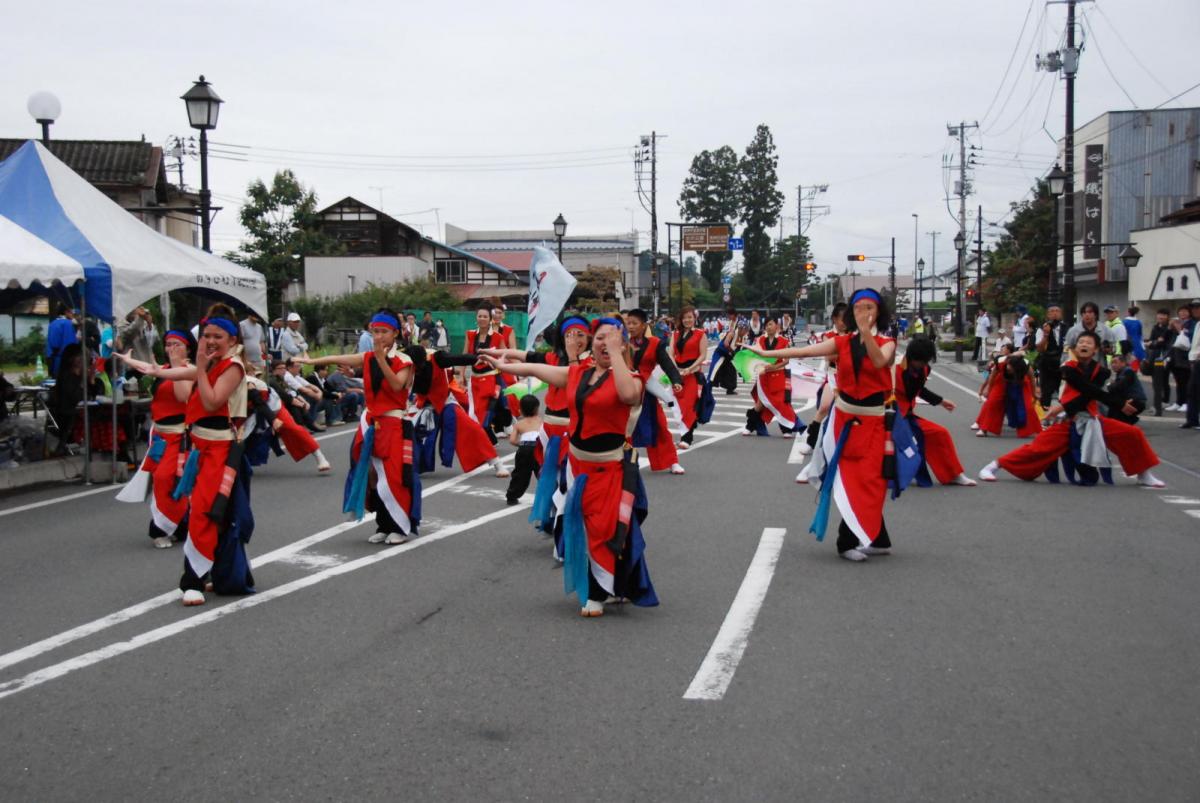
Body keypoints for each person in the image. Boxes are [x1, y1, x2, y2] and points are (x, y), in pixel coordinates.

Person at [482, 317, 658, 617]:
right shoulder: (579, 372)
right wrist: (505, 365)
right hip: (578, 463)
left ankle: (598, 592)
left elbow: (628, 395)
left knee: (604, 529)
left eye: (612, 338)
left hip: (611, 468)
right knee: (584, 526)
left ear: (622, 343)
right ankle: (618, 583)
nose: (604, 342)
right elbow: (539, 369)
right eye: (599, 337)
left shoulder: (631, 378)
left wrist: (616, 354)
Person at [749, 289, 897, 562]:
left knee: (874, 481)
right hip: (845, 421)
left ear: (879, 312)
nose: (863, 312)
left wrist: (866, 332)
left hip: (875, 422)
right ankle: (847, 542)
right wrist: (765, 352)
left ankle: (877, 537)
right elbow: (803, 351)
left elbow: (879, 361)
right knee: (853, 480)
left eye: (869, 307)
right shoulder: (841, 343)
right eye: (858, 308)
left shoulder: (886, 342)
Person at [127, 303, 257, 605]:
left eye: (217, 337)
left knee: (204, 511)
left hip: (221, 450)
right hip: (199, 447)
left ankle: (193, 579)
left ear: (232, 341)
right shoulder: (212, 362)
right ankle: (213, 572)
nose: (210, 341)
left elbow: (211, 402)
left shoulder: (233, 367)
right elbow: (182, 373)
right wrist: (154, 369)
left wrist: (198, 364)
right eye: (206, 335)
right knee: (210, 512)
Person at [296, 310, 423, 545]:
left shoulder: (404, 360)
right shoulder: (368, 357)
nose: (378, 336)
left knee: (394, 476)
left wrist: (381, 358)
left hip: (394, 423)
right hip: (373, 422)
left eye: (384, 332)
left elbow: (396, 386)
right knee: (372, 475)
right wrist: (312, 362)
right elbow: (338, 358)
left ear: (395, 333)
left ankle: (401, 526)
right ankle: (384, 524)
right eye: (375, 331)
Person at [980, 331, 1165, 487]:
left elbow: (1089, 395)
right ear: (1075, 348)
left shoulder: (1102, 371)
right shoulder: (1067, 368)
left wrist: (1062, 405)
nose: (1084, 345)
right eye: (1081, 342)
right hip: (1069, 421)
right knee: (1037, 449)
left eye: (1089, 343)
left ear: (1096, 349)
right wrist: (1118, 403)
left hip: (1093, 420)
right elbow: (1087, 390)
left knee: (1132, 434)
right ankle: (993, 465)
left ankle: (1143, 474)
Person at [115, 329, 195, 548]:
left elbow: (183, 396)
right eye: (168, 344)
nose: (171, 348)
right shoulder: (166, 369)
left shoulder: (189, 370)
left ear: (188, 348)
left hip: (179, 438)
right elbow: (149, 369)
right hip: (160, 436)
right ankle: (176, 526)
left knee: (169, 479)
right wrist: (129, 360)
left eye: (177, 344)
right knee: (161, 479)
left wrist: (178, 365)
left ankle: (162, 528)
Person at [894, 337, 975, 486]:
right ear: (911, 356)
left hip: (906, 415)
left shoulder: (924, 368)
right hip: (888, 415)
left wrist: (941, 401)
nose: (923, 364)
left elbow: (919, 390)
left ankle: (953, 475)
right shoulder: (893, 367)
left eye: (926, 360)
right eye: (921, 360)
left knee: (939, 433)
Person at [625, 308, 686, 474]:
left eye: (634, 323)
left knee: (659, 425)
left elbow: (667, 363)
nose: (630, 326)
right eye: (628, 323)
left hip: (647, 391)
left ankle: (672, 461)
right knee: (622, 427)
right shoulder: (621, 342)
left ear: (644, 325)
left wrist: (676, 380)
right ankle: (621, 462)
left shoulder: (654, 343)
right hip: (624, 390)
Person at [744, 317, 803, 437]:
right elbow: (755, 357)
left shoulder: (784, 341)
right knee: (760, 404)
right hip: (764, 376)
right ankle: (749, 426)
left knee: (781, 402)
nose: (768, 327)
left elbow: (786, 360)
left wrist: (774, 368)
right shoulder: (760, 340)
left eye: (770, 324)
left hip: (779, 376)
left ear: (777, 325)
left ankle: (786, 429)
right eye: (766, 325)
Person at [974, 349, 1039, 438]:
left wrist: (1034, 393)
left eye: (1010, 368)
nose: (1008, 367)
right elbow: (992, 376)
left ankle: (1028, 430)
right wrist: (988, 389)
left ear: (1017, 367)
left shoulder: (1025, 365)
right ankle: (984, 428)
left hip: (1021, 382)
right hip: (1002, 381)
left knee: (1027, 407)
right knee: (992, 402)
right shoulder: (1000, 361)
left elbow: (1032, 380)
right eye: (1008, 365)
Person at [461, 307, 506, 437]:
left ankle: (487, 439)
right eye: (479, 316)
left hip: (491, 378)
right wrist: (461, 374)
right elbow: (465, 354)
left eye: (485, 316)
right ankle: (488, 440)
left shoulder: (498, 337)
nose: (482, 319)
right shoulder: (470, 334)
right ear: (476, 318)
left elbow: (505, 354)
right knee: (473, 411)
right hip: (474, 379)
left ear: (490, 319)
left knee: (485, 413)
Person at [670, 305, 708, 448]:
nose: (687, 320)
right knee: (679, 405)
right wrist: (675, 369)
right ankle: (684, 435)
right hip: (677, 373)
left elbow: (703, 355)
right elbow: (671, 353)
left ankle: (687, 438)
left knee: (689, 405)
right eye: (685, 317)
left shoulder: (701, 334)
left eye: (690, 317)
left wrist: (690, 368)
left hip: (693, 373)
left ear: (695, 318)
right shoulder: (675, 334)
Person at [506, 394, 542, 504]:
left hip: (524, 448)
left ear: (521, 410)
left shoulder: (519, 424)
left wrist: (522, 445)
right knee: (542, 473)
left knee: (520, 474)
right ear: (537, 409)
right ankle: (546, 496)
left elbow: (512, 440)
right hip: (538, 447)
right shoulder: (541, 421)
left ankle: (512, 496)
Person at [1035, 304, 1068, 407]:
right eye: (1052, 311)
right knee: (1046, 391)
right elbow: (1039, 348)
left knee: (1063, 390)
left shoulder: (1067, 328)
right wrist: (1046, 334)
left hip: (1062, 362)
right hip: (1047, 363)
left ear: (1061, 314)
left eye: (1057, 311)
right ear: (1047, 315)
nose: (1055, 313)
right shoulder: (1042, 329)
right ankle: (1045, 413)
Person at [1104, 352, 1146, 424]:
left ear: (1123, 363)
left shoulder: (1128, 372)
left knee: (1115, 417)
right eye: (1112, 363)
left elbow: (1118, 387)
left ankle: (1130, 421)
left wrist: (1110, 385)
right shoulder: (1121, 373)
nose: (1113, 365)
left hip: (1136, 401)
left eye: (1115, 362)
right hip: (1130, 400)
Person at [1147, 308, 1174, 416]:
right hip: (1155, 355)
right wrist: (1156, 342)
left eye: (1163, 315)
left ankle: (1165, 401)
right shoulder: (1155, 327)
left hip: (1165, 356)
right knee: (1155, 379)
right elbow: (1151, 341)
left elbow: (1167, 343)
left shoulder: (1169, 328)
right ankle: (1158, 401)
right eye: (1159, 315)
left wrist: (1157, 342)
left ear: (1167, 316)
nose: (1161, 317)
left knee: (1164, 379)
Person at [1166, 304, 1192, 414]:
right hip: (1175, 356)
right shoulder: (1176, 323)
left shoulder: (1192, 323)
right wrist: (1170, 327)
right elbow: (1168, 338)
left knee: (1186, 381)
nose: (1182, 313)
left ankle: (1187, 402)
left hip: (1185, 357)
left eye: (1185, 311)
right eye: (1180, 311)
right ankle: (1179, 402)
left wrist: (1179, 328)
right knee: (1179, 381)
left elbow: (1188, 337)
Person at [45, 305, 78, 376]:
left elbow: (52, 342)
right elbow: (71, 344)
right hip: (64, 359)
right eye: (72, 312)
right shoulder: (69, 324)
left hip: (53, 357)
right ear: (66, 312)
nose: (73, 314)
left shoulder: (53, 323)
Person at [1185, 298, 1200, 430]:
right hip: (1194, 361)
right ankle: (1192, 419)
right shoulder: (1196, 324)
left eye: (1197, 307)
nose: (1195, 310)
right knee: (1192, 391)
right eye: (1193, 307)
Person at [1123, 306, 1146, 372]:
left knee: (1129, 363)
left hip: (1128, 342)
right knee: (1136, 363)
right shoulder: (1138, 322)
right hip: (1138, 343)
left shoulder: (1124, 322)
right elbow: (1140, 334)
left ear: (1128, 312)